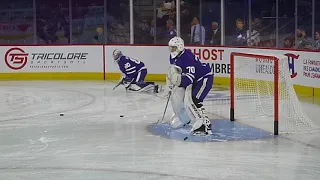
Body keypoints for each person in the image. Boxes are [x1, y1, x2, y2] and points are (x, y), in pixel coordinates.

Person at [166, 36, 213, 136]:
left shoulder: (187, 58)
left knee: (195, 99)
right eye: (170, 48)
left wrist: (178, 80)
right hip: (196, 80)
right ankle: (186, 118)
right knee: (183, 98)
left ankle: (203, 125)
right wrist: (171, 83)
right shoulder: (173, 56)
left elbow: (189, 78)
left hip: (204, 78)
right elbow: (174, 71)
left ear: (179, 47)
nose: (171, 50)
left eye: (173, 48)